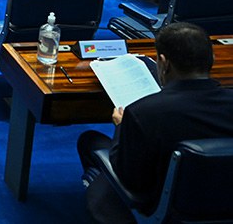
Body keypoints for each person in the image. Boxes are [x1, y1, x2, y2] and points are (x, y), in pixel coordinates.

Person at [77, 22, 233, 223]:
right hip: (224, 201)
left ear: (164, 63)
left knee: (90, 143)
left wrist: (121, 127)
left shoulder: (143, 112)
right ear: (211, 59)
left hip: (164, 207)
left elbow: (128, 176)